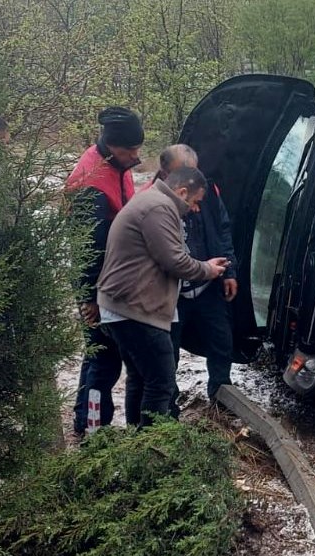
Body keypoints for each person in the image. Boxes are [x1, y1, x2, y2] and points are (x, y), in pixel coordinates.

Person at [96, 165, 228, 426]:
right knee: (161, 382)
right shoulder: (160, 208)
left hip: (120, 307)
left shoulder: (149, 200)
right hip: (135, 310)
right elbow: (175, 261)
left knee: (141, 379)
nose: (194, 208)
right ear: (181, 191)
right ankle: (153, 450)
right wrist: (208, 269)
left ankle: (138, 445)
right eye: (194, 201)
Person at [66, 106, 144, 438]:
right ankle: (93, 429)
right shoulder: (91, 184)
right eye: (131, 150)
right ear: (113, 146)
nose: (136, 156)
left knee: (98, 354)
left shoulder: (115, 163)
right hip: (98, 285)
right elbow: (86, 250)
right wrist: (90, 299)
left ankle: (84, 418)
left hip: (111, 281)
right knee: (105, 360)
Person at [147, 144, 238, 402]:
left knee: (222, 341)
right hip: (171, 292)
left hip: (208, 285)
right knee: (167, 353)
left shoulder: (207, 190)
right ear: (166, 174)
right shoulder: (151, 200)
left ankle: (221, 398)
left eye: (194, 172)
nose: (192, 180)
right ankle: (167, 411)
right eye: (184, 173)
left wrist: (229, 270)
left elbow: (222, 230)